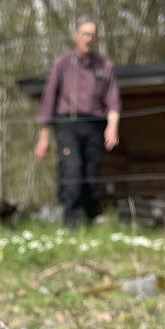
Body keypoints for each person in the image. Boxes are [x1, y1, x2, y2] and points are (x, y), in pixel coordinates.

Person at [35, 18, 121, 225]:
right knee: (72, 169)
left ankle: (91, 219)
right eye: (85, 34)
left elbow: (113, 101)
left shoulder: (104, 66)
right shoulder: (62, 63)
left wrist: (112, 127)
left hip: (94, 124)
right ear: (76, 36)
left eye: (92, 35)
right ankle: (72, 223)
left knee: (91, 172)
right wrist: (44, 136)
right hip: (68, 125)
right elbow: (48, 100)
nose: (89, 39)